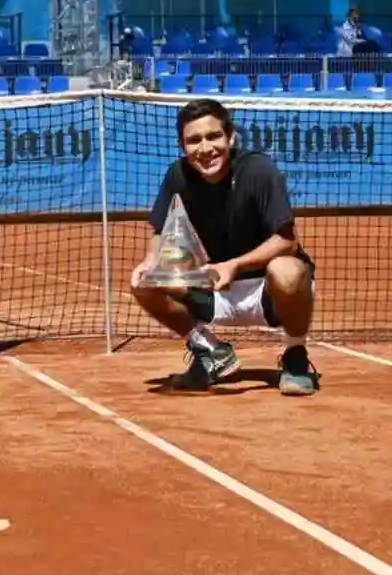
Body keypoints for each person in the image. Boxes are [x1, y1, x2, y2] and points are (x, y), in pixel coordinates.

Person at [129, 98, 320, 396]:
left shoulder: (258, 170)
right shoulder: (178, 175)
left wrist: (235, 265)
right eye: (194, 140)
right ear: (183, 146)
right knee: (143, 281)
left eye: (213, 136)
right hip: (217, 288)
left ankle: (295, 357)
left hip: (271, 293)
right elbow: (159, 230)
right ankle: (211, 351)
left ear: (230, 137)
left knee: (286, 268)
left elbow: (287, 239)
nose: (205, 148)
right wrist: (150, 259)